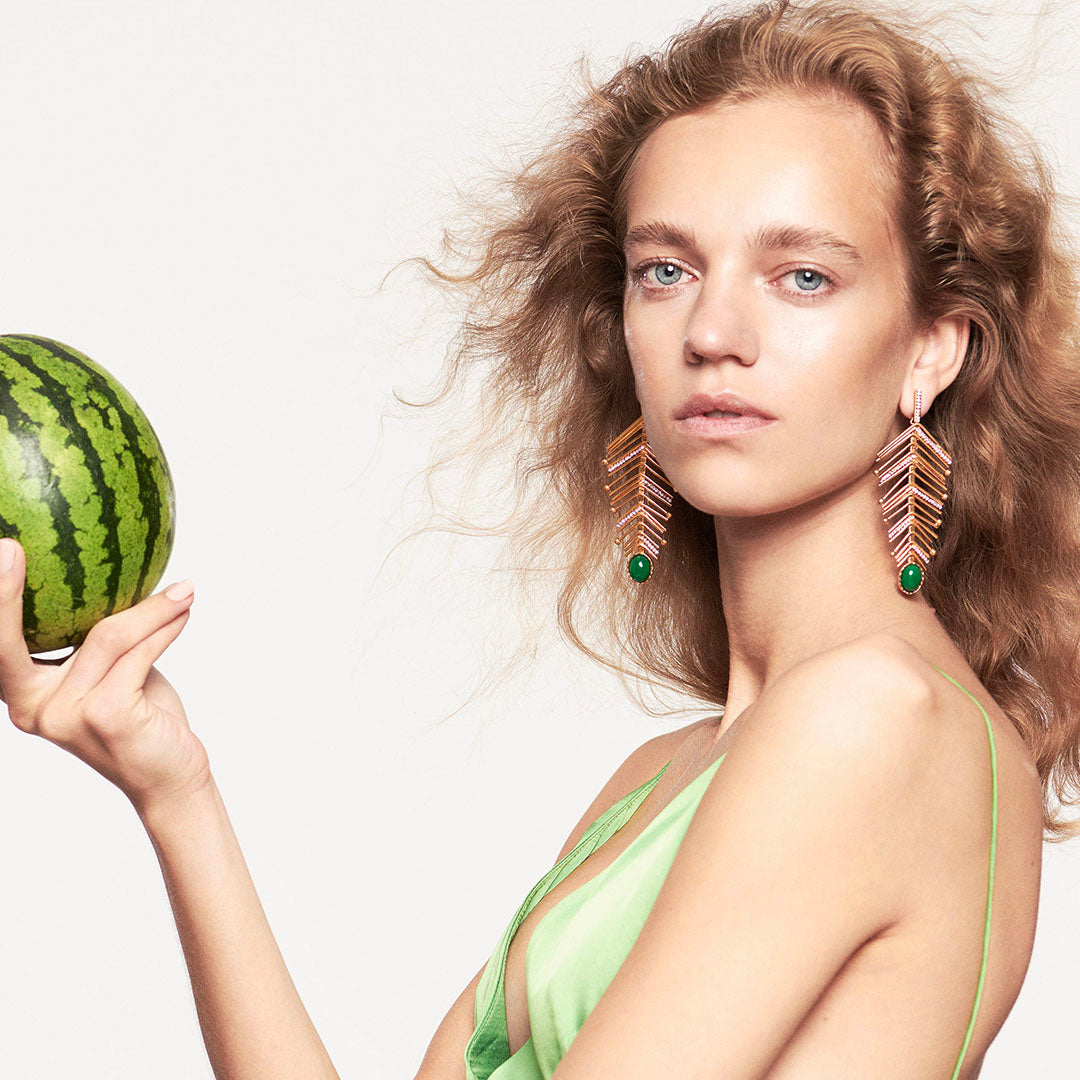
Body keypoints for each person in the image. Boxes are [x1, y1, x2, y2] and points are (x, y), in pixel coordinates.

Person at [0, 1, 1075, 1078]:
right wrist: (174, 789)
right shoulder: (667, 773)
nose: (711, 333)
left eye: (803, 277)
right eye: (666, 270)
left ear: (931, 350)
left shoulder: (875, 717)